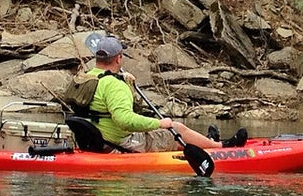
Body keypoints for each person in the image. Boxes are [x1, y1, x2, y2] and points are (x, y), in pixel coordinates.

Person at [87, 36, 248, 153]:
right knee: (176, 130)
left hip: (96, 141)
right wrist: (160, 124)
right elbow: (124, 120)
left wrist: (128, 85)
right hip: (119, 143)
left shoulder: (88, 77)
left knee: (172, 132)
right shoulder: (114, 85)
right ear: (118, 58)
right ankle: (221, 148)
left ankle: (208, 141)